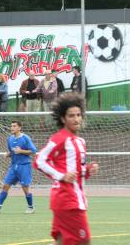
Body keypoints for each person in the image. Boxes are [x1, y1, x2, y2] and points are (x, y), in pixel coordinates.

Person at [35, 92, 99, 245]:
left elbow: (77, 171)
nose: (76, 119)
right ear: (63, 118)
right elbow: (39, 160)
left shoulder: (80, 141)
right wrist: (61, 176)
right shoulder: (60, 138)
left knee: (62, 240)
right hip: (67, 199)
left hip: (73, 198)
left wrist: (88, 170)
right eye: (71, 116)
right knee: (83, 240)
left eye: (78, 115)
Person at [0, 121, 37, 214]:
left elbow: (33, 150)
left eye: (14, 126)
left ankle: (31, 207)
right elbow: (12, 152)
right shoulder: (10, 139)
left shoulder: (25, 138)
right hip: (14, 167)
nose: (12, 128)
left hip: (24, 166)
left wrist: (21, 151)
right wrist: (8, 154)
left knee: (25, 188)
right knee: (5, 186)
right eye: (11, 126)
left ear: (19, 128)